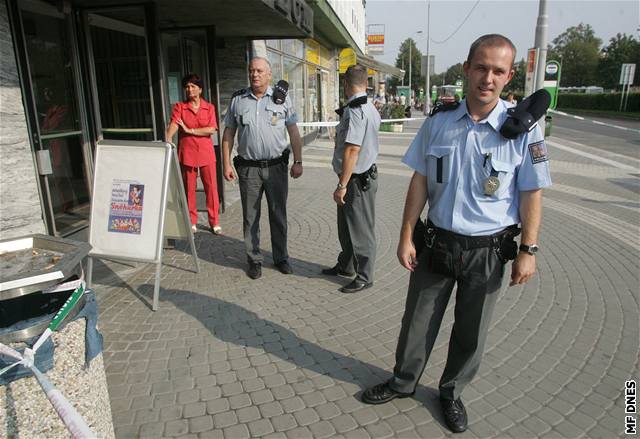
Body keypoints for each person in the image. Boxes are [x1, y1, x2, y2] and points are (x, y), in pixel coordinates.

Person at [361, 34, 552, 433]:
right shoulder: (439, 122)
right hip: (438, 242)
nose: (488, 78)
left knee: (471, 332)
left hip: (488, 251)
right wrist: (406, 233)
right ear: (466, 69)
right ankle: (403, 382)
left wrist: (528, 250)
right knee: (417, 322)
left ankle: (451, 392)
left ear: (509, 75)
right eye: (481, 67)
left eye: (498, 71)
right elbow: (419, 180)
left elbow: (532, 193)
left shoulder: (524, 131)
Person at [222, 57, 303, 280]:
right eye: (251, 71)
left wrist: (298, 161)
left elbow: (294, 132)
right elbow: (228, 132)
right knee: (250, 217)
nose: (254, 74)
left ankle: (281, 258)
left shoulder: (282, 100)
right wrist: (226, 162)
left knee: (278, 214)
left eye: (259, 71)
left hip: (277, 167)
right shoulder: (238, 100)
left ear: (269, 74)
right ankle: (254, 260)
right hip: (249, 169)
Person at [322, 64, 381, 293]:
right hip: (355, 178)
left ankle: (365, 276)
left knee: (361, 229)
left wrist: (341, 185)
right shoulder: (368, 106)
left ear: (346, 84)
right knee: (346, 227)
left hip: (356, 180)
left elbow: (351, 151)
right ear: (366, 83)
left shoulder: (357, 110)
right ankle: (346, 265)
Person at [166, 73, 221, 235]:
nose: (189, 89)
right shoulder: (180, 107)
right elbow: (175, 123)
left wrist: (190, 130)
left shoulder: (209, 107)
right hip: (187, 153)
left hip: (206, 153)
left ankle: (214, 221)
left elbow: (211, 129)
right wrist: (168, 138)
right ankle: (191, 221)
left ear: (200, 89)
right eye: (187, 87)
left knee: (211, 187)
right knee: (189, 188)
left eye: (193, 86)